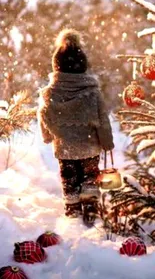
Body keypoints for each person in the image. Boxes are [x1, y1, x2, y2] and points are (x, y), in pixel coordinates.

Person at [38, 28, 114, 222]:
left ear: (57, 67)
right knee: (90, 178)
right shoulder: (92, 92)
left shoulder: (49, 94)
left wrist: (48, 136)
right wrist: (107, 142)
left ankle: (72, 211)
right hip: (89, 147)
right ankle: (90, 211)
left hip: (65, 148)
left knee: (69, 178)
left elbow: (44, 115)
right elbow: (103, 120)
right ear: (83, 66)